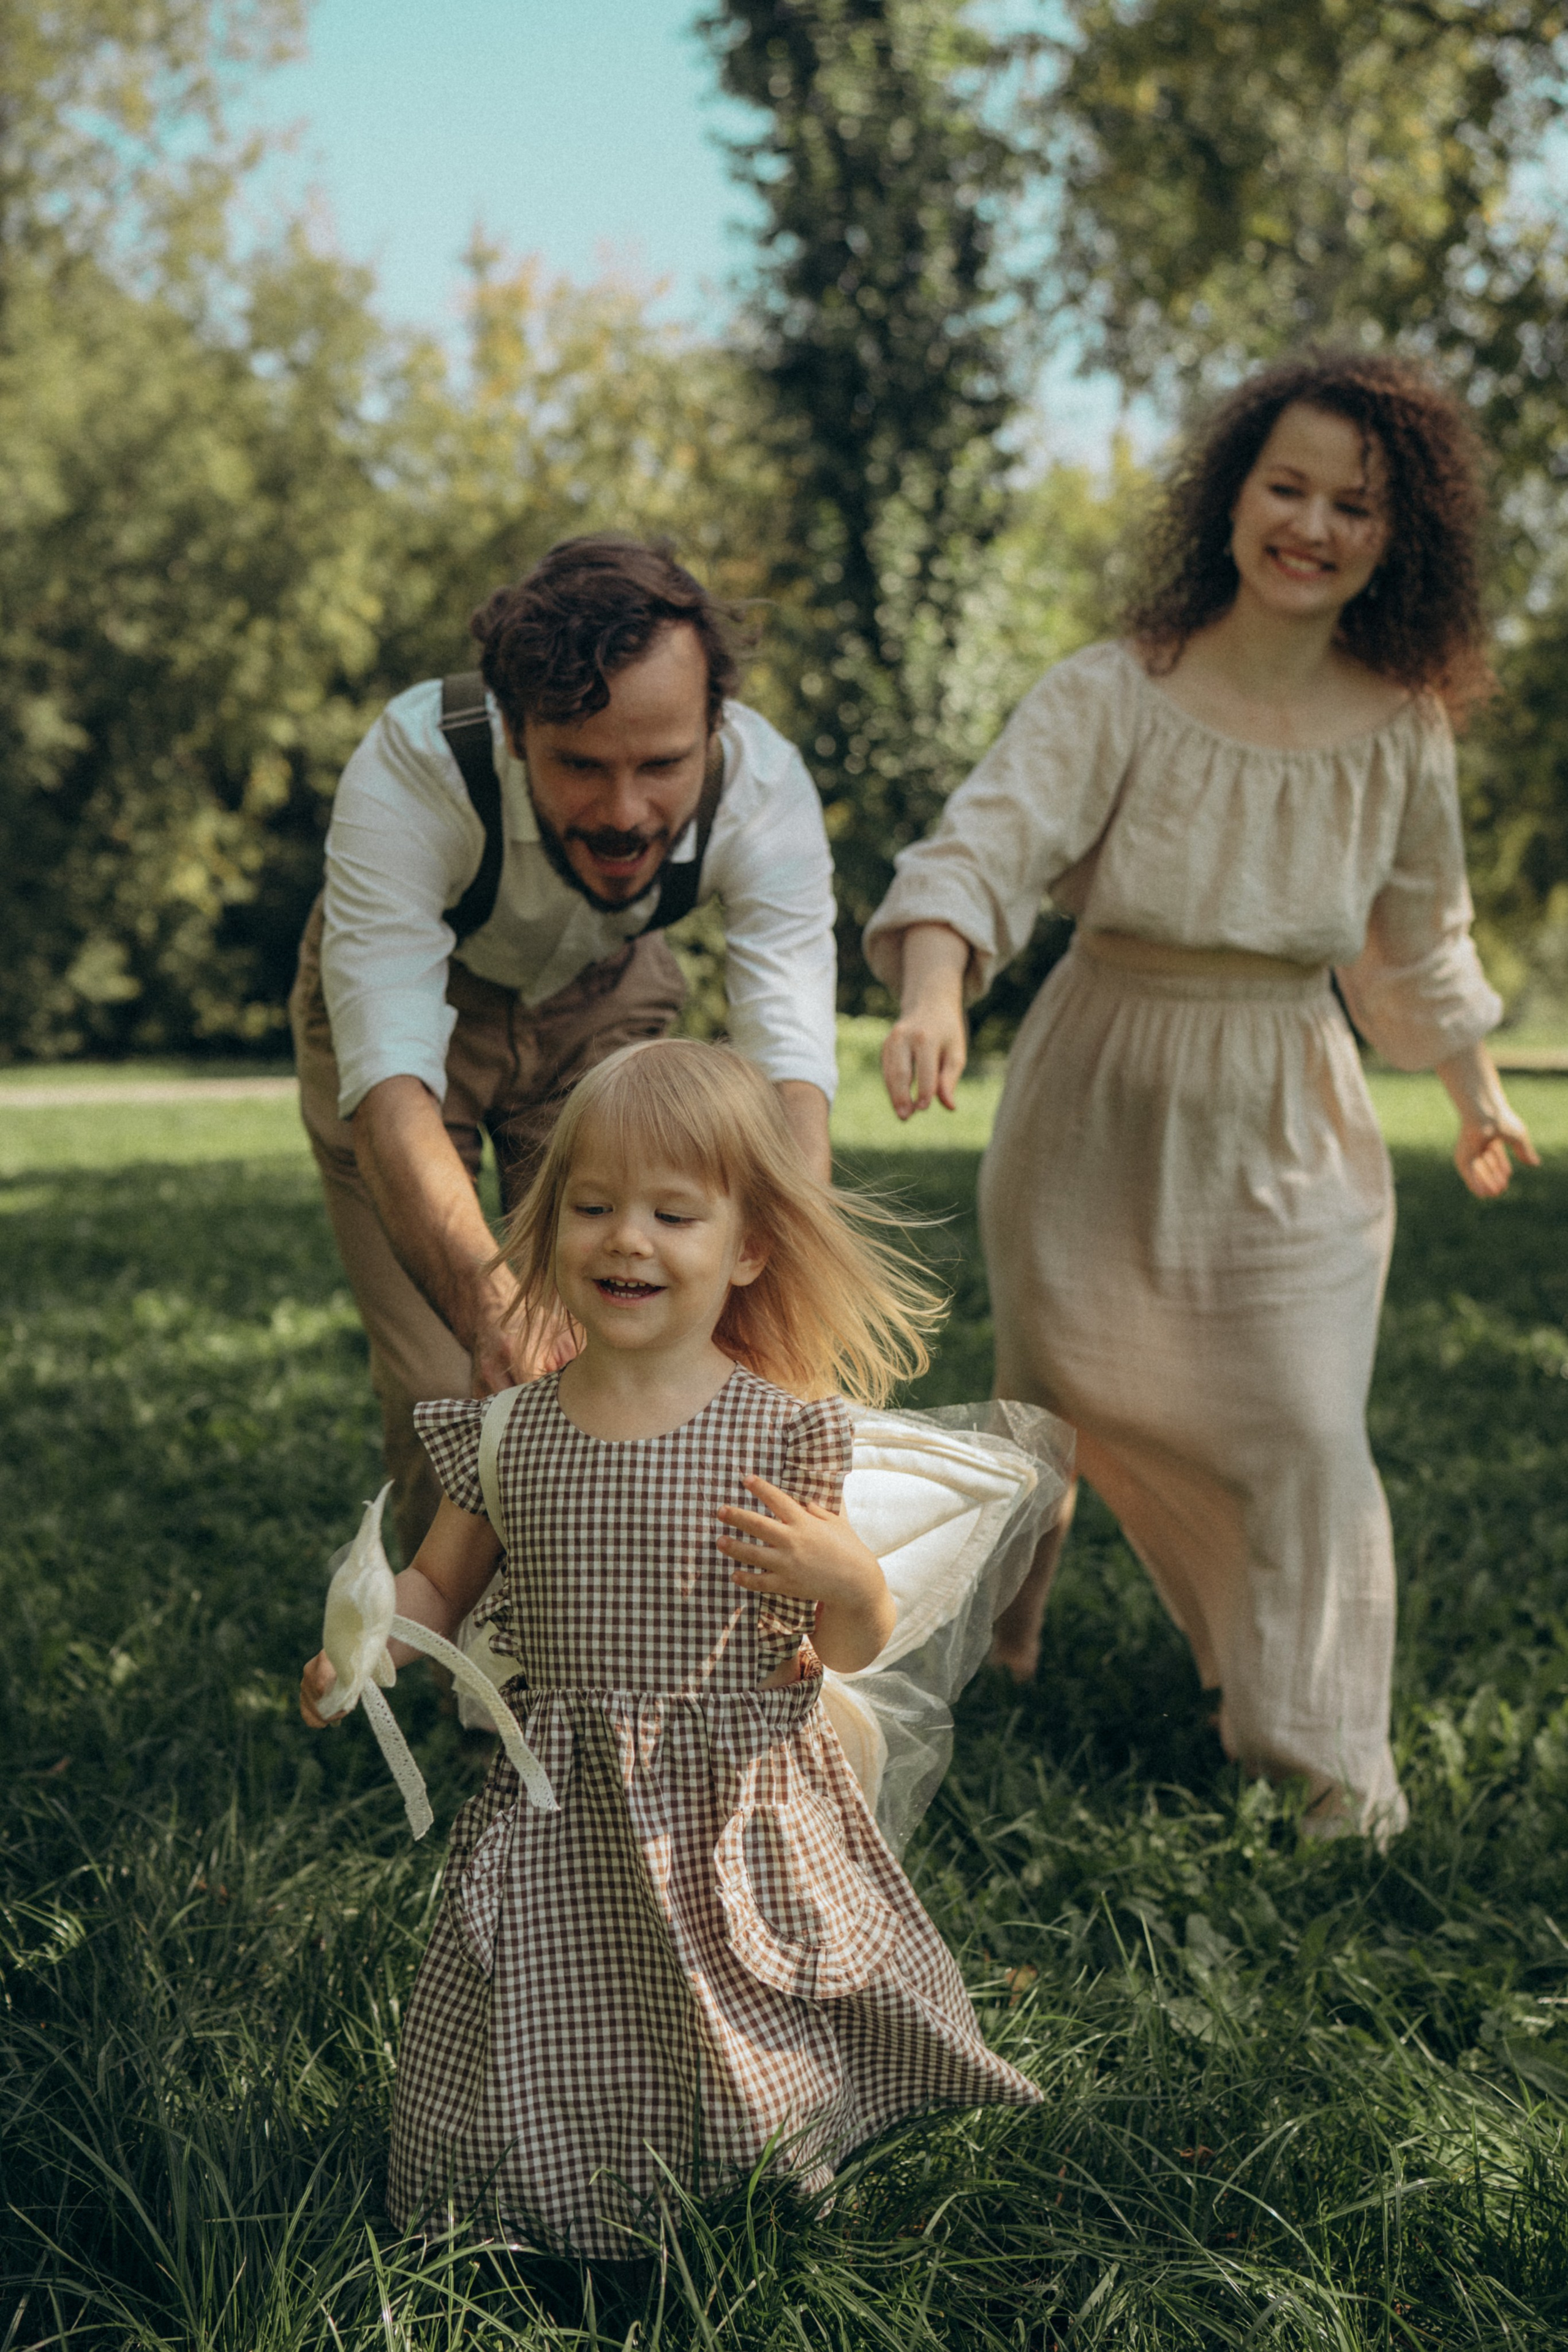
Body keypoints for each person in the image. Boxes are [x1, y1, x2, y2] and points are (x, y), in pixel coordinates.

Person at [865, 350, 1539, 1838]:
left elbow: (1418, 940)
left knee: (1303, 1425)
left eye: (1350, 505)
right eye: (1282, 487)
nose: (1309, 525)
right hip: (1099, 1086)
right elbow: (980, 848)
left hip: (1289, 1103)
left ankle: (1320, 1767)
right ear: (1230, 500)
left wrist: (1476, 1094)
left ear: (1394, 534)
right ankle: (1004, 1640)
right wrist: (932, 986)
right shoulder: (1116, 691)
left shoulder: (1401, 727)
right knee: (1056, 1400)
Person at [299, 1039, 1040, 2257]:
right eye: (591, 1207)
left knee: (742, 1997)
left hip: (731, 1796)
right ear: (549, 1232)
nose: (624, 1240)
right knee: (557, 1995)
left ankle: (753, 2179)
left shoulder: (780, 1432)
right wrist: (376, 1646)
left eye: (670, 1213)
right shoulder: (505, 1437)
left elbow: (852, 1640)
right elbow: (436, 1580)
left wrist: (841, 1580)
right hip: (564, 1798)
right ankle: (536, 2189)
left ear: (747, 1246)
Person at [289, 536, 838, 1562]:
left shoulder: (767, 792)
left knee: (643, 1347)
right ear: (512, 731)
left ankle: (627, 1645)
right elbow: (392, 1073)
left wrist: (780, 1291)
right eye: (580, 765)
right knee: (455, 1381)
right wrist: (490, 1305)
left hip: (603, 996)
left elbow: (789, 1070)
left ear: (714, 727)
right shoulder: (416, 762)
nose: (627, 813)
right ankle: (471, 1687)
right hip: (413, 1019)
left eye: (664, 765)